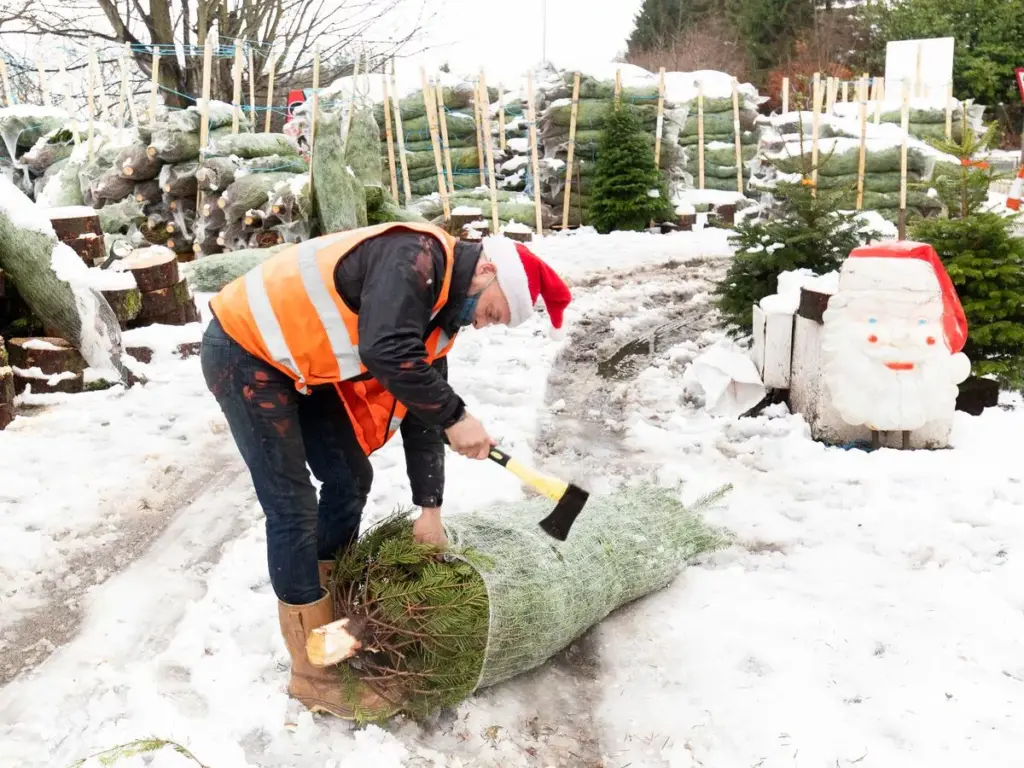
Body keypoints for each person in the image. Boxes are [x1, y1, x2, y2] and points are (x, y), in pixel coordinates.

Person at [199, 221, 572, 717]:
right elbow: (387, 349)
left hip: (298, 367)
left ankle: (329, 621)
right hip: (244, 351)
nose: (482, 325)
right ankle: (313, 673)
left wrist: (430, 509)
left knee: (351, 477)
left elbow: (423, 411)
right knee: (291, 505)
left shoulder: (439, 318)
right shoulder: (414, 256)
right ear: (487, 270)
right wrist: (457, 416)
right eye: (491, 313)